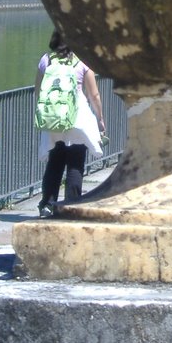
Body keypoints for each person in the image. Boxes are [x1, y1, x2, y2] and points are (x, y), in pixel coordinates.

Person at [35, 30, 106, 217]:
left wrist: (48, 113)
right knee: (75, 163)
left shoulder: (46, 60)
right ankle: (71, 206)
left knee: (54, 163)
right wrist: (99, 118)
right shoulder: (82, 61)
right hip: (77, 120)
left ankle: (47, 204)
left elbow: (38, 91)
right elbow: (94, 95)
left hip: (54, 120)